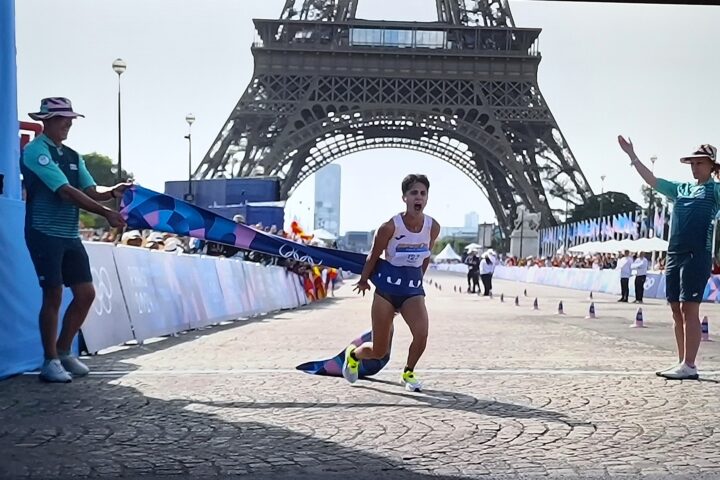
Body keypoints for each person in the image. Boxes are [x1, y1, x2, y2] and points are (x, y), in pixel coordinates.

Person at [21, 97, 128, 383]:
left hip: (69, 234)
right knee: (53, 294)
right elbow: (65, 192)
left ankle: (64, 350)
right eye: (61, 118)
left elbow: (91, 190)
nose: (68, 123)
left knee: (86, 294)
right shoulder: (35, 152)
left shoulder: (72, 155)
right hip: (44, 232)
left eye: (70, 118)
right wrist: (106, 212)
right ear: (47, 121)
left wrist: (112, 192)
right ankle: (49, 360)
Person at [619, 137, 719, 380]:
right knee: (675, 308)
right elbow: (652, 181)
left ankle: (690, 364)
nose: (694, 167)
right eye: (692, 163)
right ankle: (681, 361)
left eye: (699, 163)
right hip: (674, 253)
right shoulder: (681, 188)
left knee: (689, 307)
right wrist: (632, 156)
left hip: (698, 253)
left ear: (711, 165)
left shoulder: (716, 190)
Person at [343, 174, 440, 391]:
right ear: (404, 197)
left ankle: (408, 372)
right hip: (386, 291)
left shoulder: (433, 227)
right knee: (379, 351)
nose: (419, 197)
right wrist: (364, 280)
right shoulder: (389, 227)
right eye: (414, 193)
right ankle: (354, 355)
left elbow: (425, 256)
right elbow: (373, 255)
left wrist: (417, 282)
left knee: (422, 334)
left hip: (411, 291)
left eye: (423, 193)